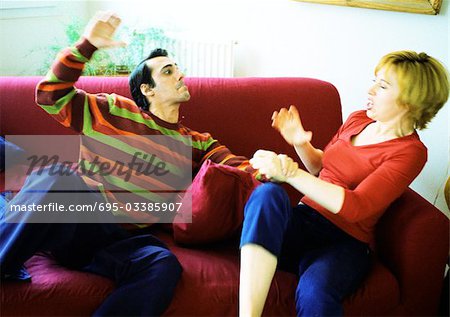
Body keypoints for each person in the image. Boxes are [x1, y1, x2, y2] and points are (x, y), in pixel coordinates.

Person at [0, 11, 255, 316]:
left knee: (162, 263)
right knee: (56, 177)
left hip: (118, 241)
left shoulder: (196, 141)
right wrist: (86, 46)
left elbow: (239, 168)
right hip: (78, 218)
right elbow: (49, 96)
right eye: (168, 71)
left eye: (178, 69)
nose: (181, 75)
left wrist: (279, 167)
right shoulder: (113, 109)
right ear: (147, 90)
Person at [238, 51, 449, 316]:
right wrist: (300, 142)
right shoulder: (358, 119)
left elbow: (357, 207)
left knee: (316, 293)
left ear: (411, 101)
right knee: (267, 194)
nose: (370, 90)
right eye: (375, 80)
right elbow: (321, 169)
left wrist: (290, 173)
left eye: (382, 86)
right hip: (304, 221)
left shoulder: (411, 152)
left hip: (345, 242)